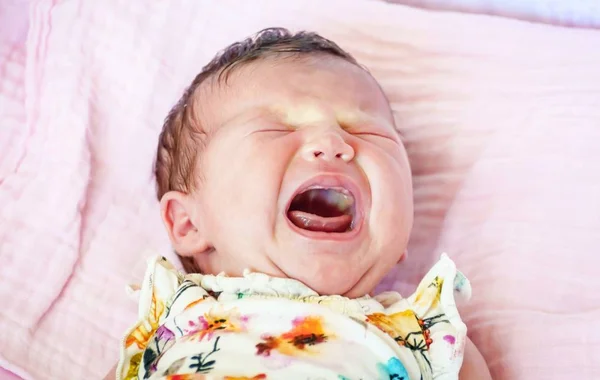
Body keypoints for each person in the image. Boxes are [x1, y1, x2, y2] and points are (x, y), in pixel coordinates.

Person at [108, 28, 491, 380]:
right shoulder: (170, 325)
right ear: (190, 224)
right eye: (278, 128)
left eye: (365, 130)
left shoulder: (429, 338)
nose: (333, 142)